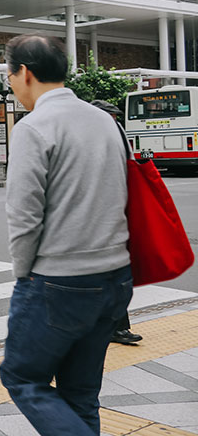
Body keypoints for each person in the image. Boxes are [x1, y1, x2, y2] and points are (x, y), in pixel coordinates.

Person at [0, 35, 132, 436]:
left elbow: (24, 216)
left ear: (25, 72)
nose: (9, 82)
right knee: (81, 396)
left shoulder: (35, 126)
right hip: (116, 277)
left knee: (23, 378)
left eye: (9, 73)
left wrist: (23, 275)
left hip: (60, 282)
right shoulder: (104, 121)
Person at [90, 99, 144, 347]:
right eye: (110, 116)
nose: (113, 121)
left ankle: (115, 326)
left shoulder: (113, 132)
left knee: (112, 275)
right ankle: (114, 327)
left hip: (110, 214)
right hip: (95, 218)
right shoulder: (92, 135)